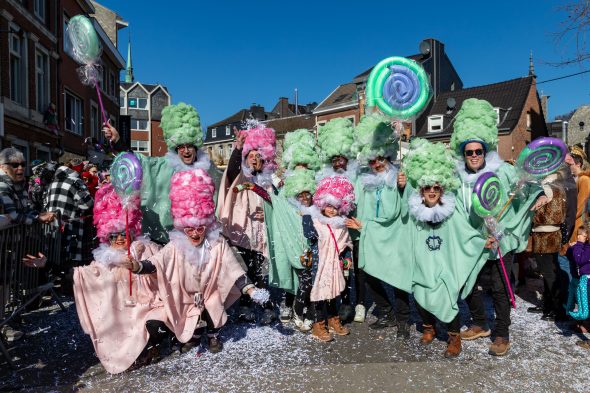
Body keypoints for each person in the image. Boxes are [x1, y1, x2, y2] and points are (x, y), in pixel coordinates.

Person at [128, 169, 264, 353]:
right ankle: (195, 335)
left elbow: (233, 267)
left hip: (210, 291)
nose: (194, 233)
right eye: (189, 229)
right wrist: (137, 267)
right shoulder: (176, 245)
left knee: (213, 305)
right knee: (189, 313)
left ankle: (213, 336)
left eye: (200, 229)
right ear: (182, 226)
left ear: (206, 225)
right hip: (186, 292)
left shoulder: (216, 243)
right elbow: (156, 263)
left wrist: (250, 289)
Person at [449, 99, 542, 356]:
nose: (475, 156)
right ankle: (480, 322)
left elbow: (527, 185)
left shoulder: (501, 171)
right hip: (473, 242)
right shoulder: (458, 179)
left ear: (485, 150)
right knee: (468, 282)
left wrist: (540, 193)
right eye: (470, 152)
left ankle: (502, 334)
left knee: (500, 288)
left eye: (479, 151)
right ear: (463, 153)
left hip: (501, 239)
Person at [401, 138, 490, 357]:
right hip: (423, 264)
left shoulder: (451, 211)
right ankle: (429, 328)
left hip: (445, 265)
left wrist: (481, 241)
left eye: (436, 188)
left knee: (448, 299)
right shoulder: (414, 214)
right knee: (421, 295)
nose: (432, 191)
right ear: (422, 191)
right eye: (427, 188)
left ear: (442, 189)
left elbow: (465, 232)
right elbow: (400, 232)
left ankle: (453, 337)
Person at [72, 183, 165, 373]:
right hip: (121, 313)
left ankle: (154, 343)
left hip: (148, 305)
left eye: (124, 234)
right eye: (114, 236)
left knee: (155, 321)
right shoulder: (104, 260)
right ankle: (136, 350)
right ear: (107, 238)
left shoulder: (144, 249)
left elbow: (164, 265)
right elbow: (82, 276)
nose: (120, 239)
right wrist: (47, 265)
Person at [102, 103, 211, 244]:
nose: (186, 151)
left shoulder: (206, 171)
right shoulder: (163, 165)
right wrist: (118, 141)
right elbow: (139, 162)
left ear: (195, 147)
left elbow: (228, 179)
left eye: (189, 146)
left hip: (197, 237)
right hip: (164, 237)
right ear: (175, 148)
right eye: (181, 147)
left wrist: (239, 152)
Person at [346, 114, 409, 333]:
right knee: (369, 272)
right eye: (372, 160)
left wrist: (403, 186)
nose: (377, 164)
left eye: (380, 159)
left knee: (399, 277)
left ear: (388, 156)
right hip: (370, 234)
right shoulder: (364, 180)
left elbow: (405, 207)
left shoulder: (400, 176)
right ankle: (387, 312)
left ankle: (403, 319)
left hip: (395, 235)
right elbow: (350, 197)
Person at [217, 123, 277, 324]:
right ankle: (245, 306)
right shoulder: (241, 175)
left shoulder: (269, 180)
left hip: (262, 232)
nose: (254, 158)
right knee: (244, 270)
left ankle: (265, 305)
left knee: (260, 271)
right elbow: (232, 174)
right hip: (241, 232)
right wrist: (236, 149)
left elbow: (275, 202)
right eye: (250, 155)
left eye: (258, 155)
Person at [316, 118, 359, 322]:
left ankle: (352, 304)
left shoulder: (356, 176)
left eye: (341, 158)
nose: (338, 162)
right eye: (334, 159)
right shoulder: (323, 177)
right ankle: (334, 306)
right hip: (331, 231)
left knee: (352, 270)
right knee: (334, 268)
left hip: (353, 229)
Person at [276, 129, 321, 323]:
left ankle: (308, 308)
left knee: (310, 274)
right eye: (297, 164)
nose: (301, 168)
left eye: (305, 164)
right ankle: (291, 302)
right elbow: (274, 202)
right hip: (290, 235)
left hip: (311, 237)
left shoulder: (317, 184)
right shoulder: (284, 186)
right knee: (292, 269)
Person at [267, 167, 318, 332]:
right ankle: (297, 310)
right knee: (305, 284)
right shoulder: (291, 208)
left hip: (317, 254)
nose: (304, 198)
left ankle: (310, 314)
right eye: (300, 195)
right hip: (300, 254)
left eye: (307, 194)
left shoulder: (318, 210)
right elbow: (273, 196)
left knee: (313, 285)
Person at [305, 175, 354, 342]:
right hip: (319, 265)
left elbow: (346, 243)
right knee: (319, 293)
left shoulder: (341, 224)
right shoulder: (315, 221)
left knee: (333, 292)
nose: (332, 210)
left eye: (335, 207)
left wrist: (347, 259)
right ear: (321, 204)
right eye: (328, 206)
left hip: (335, 264)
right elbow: (308, 235)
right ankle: (318, 324)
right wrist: (306, 216)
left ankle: (333, 319)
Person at [46, 158, 94, 292]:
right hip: (72, 225)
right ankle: (70, 287)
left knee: (57, 255)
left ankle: (59, 285)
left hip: (54, 225)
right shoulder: (75, 181)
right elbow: (86, 204)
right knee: (72, 258)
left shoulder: (54, 182)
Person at [529, 172, 568, 321]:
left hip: (545, 235)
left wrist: (531, 213)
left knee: (550, 273)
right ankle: (549, 305)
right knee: (549, 273)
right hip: (550, 234)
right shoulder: (557, 184)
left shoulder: (548, 186)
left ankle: (559, 310)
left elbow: (551, 213)